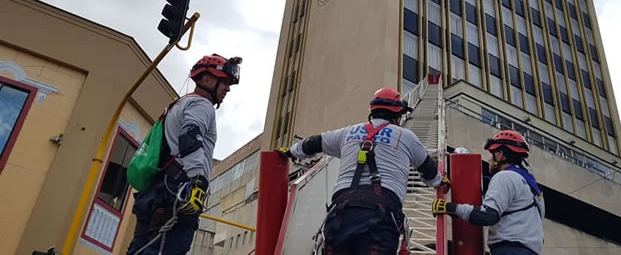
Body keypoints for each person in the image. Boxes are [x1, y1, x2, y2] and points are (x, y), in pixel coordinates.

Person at [278, 87, 450, 255]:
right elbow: (429, 172)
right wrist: (440, 183)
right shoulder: (406, 137)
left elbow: (314, 143)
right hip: (381, 218)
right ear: (398, 115)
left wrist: (291, 151)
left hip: (340, 216)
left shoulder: (347, 133)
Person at [127, 54, 241, 255]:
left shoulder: (178, 104)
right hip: (177, 193)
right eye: (224, 81)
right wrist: (197, 181)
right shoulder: (202, 105)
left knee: (140, 250)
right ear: (206, 79)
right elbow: (190, 137)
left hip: (157, 191)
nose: (228, 88)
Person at [431, 130, 545, 255]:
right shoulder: (532, 187)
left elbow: (487, 215)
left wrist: (451, 208)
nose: (490, 160)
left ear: (500, 154)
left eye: (492, 155)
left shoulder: (504, 177)